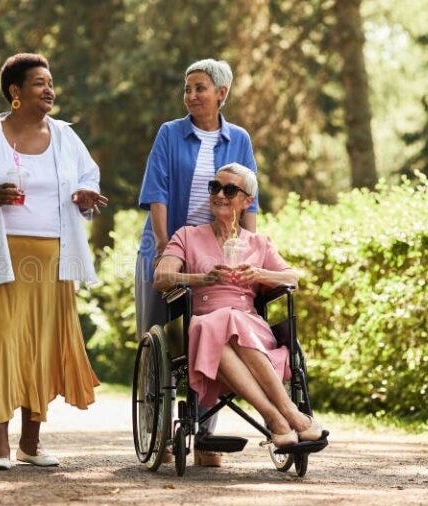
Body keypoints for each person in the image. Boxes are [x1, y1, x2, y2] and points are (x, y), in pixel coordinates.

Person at [0, 53, 108, 471]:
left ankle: (30, 445)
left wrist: (86, 194)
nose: (49, 89)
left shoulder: (66, 137)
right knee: (1, 344)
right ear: (15, 93)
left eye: (50, 82)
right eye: (38, 83)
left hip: (53, 259)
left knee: (41, 346)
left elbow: (88, 175)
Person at [135, 58, 258, 466]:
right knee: (159, 338)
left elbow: (249, 198)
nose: (191, 96)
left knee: (215, 334)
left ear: (221, 93)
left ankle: (205, 436)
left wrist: (251, 248)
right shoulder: (170, 134)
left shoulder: (238, 138)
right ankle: (159, 435)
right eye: (188, 89)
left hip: (219, 254)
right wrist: (163, 247)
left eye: (200, 88)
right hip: (171, 246)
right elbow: (158, 192)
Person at [153, 163, 324, 450]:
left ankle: (281, 418)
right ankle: (281, 415)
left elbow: (292, 277)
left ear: (247, 201)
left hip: (249, 327)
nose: (219, 194)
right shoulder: (187, 236)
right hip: (201, 324)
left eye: (229, 189)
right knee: (211, 325)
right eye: (215, 187)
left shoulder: (259, 243)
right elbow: (161, 278)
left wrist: (259, 274)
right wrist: (203, 278)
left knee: (230, 320)